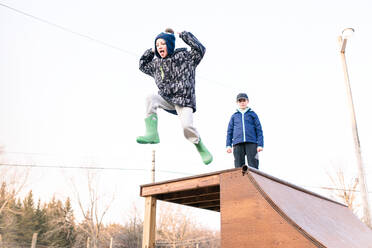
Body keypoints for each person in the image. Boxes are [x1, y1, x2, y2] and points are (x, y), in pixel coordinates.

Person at [137, 28, 213, 165]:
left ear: (170, 45)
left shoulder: (185, 57)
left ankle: (200, 146)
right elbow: (142, 65)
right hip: (167, 99)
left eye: (163, 44)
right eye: (157, 45)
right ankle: (152, 133)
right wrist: (151, 51)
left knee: (186, 127)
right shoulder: (156, 63)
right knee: (150, 98)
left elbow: (200, 49)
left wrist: (184, 35)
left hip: (184, 100)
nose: (160, 47)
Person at [226, 93, 264, 169]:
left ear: (247, 101)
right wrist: (228, 145)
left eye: (244, 100)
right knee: (238, 166)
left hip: (251, 142)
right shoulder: (234, 116)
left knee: (253, 165)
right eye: (240, 101)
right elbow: (229, 131)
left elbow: (259, 130)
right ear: (237, 103)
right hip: (237, 143)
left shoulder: (253, 114)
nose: (242, 102)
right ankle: (240, 180)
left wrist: (260, 144)